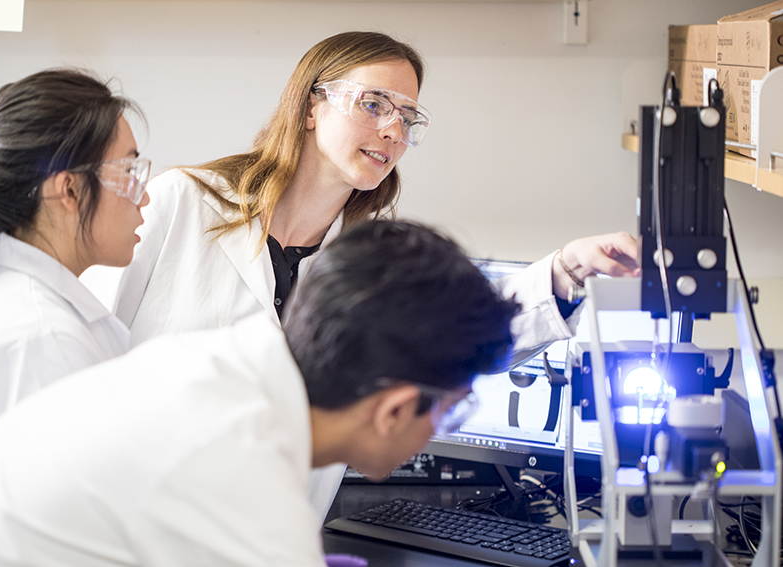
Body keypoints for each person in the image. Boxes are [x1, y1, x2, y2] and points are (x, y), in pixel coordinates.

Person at [83, 31, 639, 519]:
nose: (394, 129)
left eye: (407, 116)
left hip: (275, 518)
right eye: (373, 104)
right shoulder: (182, 203)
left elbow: (454, 340)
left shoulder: (361, 259)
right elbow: (80, 356)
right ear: (310, 107)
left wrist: (568, 270)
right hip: (130, 513)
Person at [0, 220, 519, 567]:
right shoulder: (243, 480)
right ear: (392, 409)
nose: (441, 429)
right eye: (451, 406)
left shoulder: (214, 364)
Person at [0, 69, 152, 469]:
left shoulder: (18, 304)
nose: (142, 197)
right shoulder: (38, 335)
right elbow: (76, 515)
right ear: (69, 190)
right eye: (129, 173)